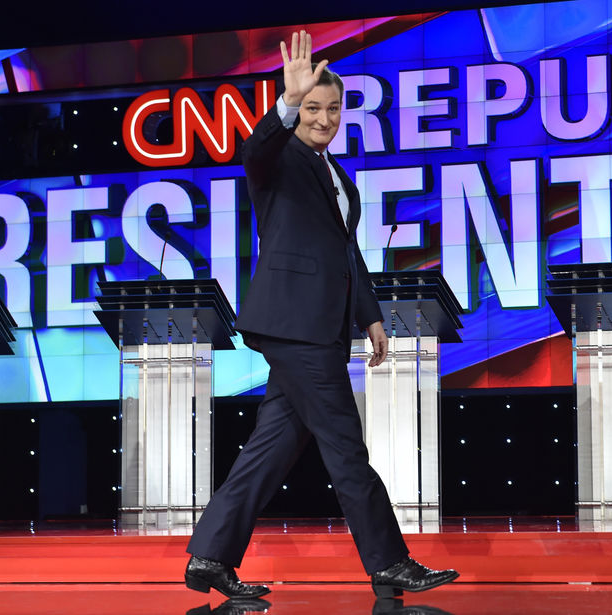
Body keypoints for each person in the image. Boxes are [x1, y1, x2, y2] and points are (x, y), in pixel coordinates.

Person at [185, 30, 458, 599]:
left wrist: (371, 316)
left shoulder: (339, 179)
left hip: (318, 329)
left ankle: (209, 557)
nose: (323, 118)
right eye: (313, 108)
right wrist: (285, 103)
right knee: (345, 447)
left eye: (331, 109)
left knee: (271, 448)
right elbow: (252, 151)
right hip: (296, 327)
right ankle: (389, 562)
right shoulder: (279, 159)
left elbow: (346, 253)